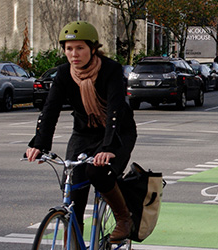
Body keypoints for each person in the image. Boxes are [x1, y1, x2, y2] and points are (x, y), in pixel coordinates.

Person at [25, 21, 137, 243]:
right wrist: (39, 144)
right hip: (84, 134)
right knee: (73, 191)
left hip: (117, 132)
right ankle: (73, 244)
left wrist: (108, 148)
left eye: (80, 48)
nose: (74, 54)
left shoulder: (111, 70)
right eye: (69, 48)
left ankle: (124, 218)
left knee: (97, 173)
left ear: (93, 48)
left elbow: (115, 109)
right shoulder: (64, 74)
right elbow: (50, 110)